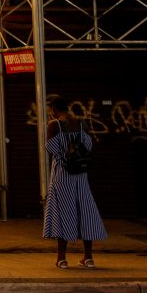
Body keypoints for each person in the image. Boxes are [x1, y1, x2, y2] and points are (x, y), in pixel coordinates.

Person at [43, 95, 107, 269]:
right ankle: (88, 257)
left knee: (63, 213)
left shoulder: (54, 125)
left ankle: (62, 259)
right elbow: (88, 146)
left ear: (53, 109)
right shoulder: (81, 123)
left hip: (62, 175)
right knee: (85, 212)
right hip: (81, 175)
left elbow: (50, 148)